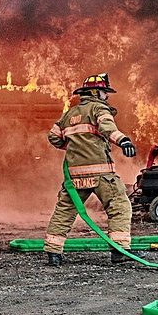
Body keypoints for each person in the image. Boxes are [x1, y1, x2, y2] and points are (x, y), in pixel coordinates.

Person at [44, 72, 136, 266]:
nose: (107, 96)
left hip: (75, 175)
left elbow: (53, 136)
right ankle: (119, 251)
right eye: (104, 92)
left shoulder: (70, 113)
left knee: (65, 210)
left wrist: (75, 148)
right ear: (95, 92)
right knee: (119, 205)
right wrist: (124, 140)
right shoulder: (99, 108)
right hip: (101, 173)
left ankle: (53, 252)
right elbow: (107, 127)